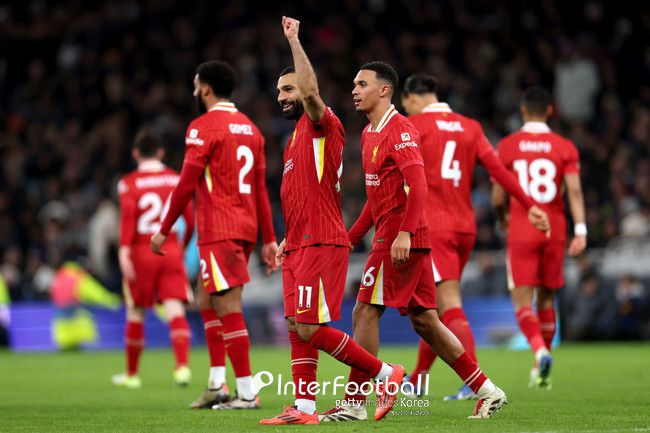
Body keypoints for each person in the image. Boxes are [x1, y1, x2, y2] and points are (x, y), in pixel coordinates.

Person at [321, 62, 507, 422]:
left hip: (398, 239)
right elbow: (375, 201)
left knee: (364, 311)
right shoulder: (369, 133)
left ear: (384, 90)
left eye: (362, 84)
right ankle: (487, 390)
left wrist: (405, 232)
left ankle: (354, 403)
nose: (355, 90)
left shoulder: (401, 129)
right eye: (354, 84)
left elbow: (419, 185)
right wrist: (349, 239)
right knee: (426, 321)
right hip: (396, 237)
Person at [259, 17, 404, 426]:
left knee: (309, 328)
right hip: (299, 242)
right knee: (295, 324)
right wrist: (287, 239)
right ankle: (304, 408)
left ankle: (386, 374)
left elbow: (310, 92)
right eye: (278, 91)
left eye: (288, 89)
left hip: (321, 240)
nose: (281, 97)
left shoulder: (322, 124)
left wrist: (294, 41)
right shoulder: (292, 141)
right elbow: (303, 195)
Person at [400, 74, 550, 400]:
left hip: (433, 226)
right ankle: (418, 379)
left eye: (405, 105)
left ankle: (475, 383)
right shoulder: (470, 127)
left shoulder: (413, 126)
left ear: (411, 98)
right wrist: (530, 206)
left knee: (448, 304)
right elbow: (499, 171)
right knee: (435, 307)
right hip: (465, 227)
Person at [151, 60, 278, 408]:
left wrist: (164, 229)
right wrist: (268, 238)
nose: (194, 91)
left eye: (196, 85)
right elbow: (260, 190)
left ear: (205, 88)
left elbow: (186, 183)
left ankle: (247, 393)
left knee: (227, 306)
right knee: (206, 298)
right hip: (244, 227)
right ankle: (216, 384)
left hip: (219, 229)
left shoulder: (203, 126)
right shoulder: (251, 129)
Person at [492, 87, 587, 388]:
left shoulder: (507, 145)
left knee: (523, 301)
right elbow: (574, 190)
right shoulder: (564, 146)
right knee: (546, 297)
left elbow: (497, 197)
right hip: (555, 229)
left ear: (522, 110)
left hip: (522, 228)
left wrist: (503, 219)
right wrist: (581, 230)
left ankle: (539, 351)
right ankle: (541, 368)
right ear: (550, 111)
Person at [112, 129, 194, 388]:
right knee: (174, 308)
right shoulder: (175, 179)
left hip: (141, 251)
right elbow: (190, 220)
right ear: (160, 152)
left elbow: (128, 219)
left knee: (136, 311)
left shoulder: (128, 183)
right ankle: (182, 367)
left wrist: (123, 251)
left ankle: (132, 375)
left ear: (135, 153)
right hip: (170, 248)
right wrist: (181, 246)